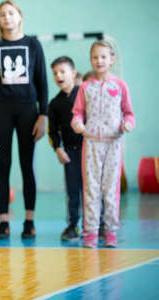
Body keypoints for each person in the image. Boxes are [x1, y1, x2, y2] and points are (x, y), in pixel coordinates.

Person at [0, 1, 48, 239]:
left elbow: (42, 81)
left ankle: (29, 220)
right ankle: (3, 221)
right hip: (1, 111)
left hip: (29, 111)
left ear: (19, 16)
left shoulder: (33, 44)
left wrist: (44, 114)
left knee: (27, 165)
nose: (6, 17)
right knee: (3, 165)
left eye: (10, 13)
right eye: (1, 14)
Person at [71, 40, 136, 248]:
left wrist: (128, 124)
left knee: (110, 190)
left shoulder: (120, 85)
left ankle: (110, 232)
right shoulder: (85, 87)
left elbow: (129, 113)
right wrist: (78, 123)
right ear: (91, 60)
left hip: (113, 144)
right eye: (95, 57)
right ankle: (90, 232)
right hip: (91, 145)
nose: (99, 61)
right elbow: (77, 113)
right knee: (91, 189)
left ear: (111, 59)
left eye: (103, 57)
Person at [47, 56, 83, 241]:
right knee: (72, 191)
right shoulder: (54, 103)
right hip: (70, 152)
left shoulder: (84, 95)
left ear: (73, 74)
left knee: (92, 190)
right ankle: (73, 225)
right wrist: (58, 149)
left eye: (63, 71)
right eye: (55, 73)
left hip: (89, 152)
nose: (58, 76)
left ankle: (98, 225)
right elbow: (52, 132)